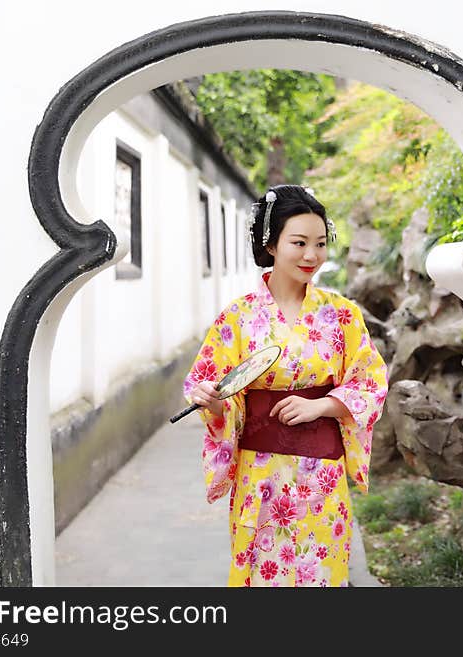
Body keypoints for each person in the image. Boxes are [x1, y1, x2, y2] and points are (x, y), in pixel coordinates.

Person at [183, 184, 389, 587]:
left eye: (320, 243)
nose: (312, 255)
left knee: (323, 576)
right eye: (299, 242)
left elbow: (372, 380)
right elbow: (217, 393)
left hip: (322, 477)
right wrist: (213, 404)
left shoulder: (342, 315)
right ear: (271, 245)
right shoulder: (237, 318)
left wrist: (324, 406)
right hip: (260, 477)